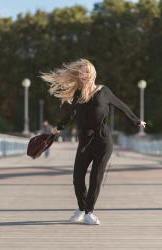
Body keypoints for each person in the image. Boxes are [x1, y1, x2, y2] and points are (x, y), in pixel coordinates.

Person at [41, 58, 146, 225]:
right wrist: (59, 127)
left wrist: (136, 120)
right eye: (81, 72)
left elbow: (121, 105)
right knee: (77, 177)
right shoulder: (78, 93)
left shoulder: (104, 91)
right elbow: (71, 113)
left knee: (96, 178)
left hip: (103, 142)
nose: (84, 75)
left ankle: (89, 212)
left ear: (92, 73)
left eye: (86, 72)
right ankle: (81, 208)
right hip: (85, 141)